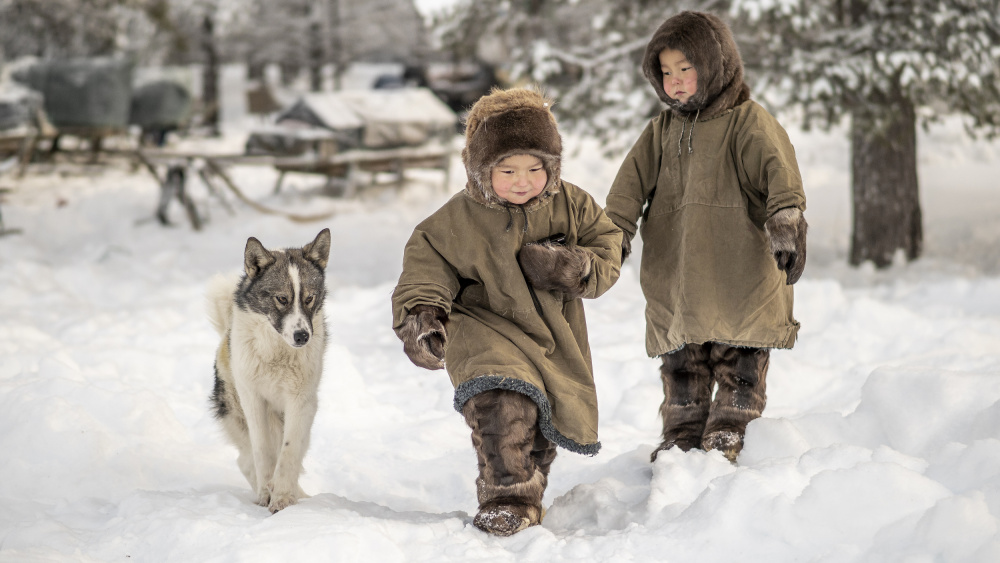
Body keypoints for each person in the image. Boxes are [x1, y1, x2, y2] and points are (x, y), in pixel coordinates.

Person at [392, 87, 622, 536]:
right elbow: (426, 267)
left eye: (536, 168)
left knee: (538, 424)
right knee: (502, 405)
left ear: (552, 167)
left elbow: (607, 244)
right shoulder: (456, 219)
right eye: (508, 169)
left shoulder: (572, 204)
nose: (523, 180)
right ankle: (508, 497)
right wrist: (423, 314)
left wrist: (574, 267)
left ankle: (528, 485)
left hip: (551, 337)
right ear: (481, 171)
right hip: (483, 328)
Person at [605, 11, 808, 464]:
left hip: (739, 269)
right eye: (666, 72)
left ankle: (732, 423)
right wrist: (611, 238)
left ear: (715, 64)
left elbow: (780, 172)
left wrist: (786, 220)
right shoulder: (660, 132)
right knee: (683, 363)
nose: (675, 81)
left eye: (686, 68)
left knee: (740, 360)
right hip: (679, 273)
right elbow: (626, 190)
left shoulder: (747, 121)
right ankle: (682, 430)